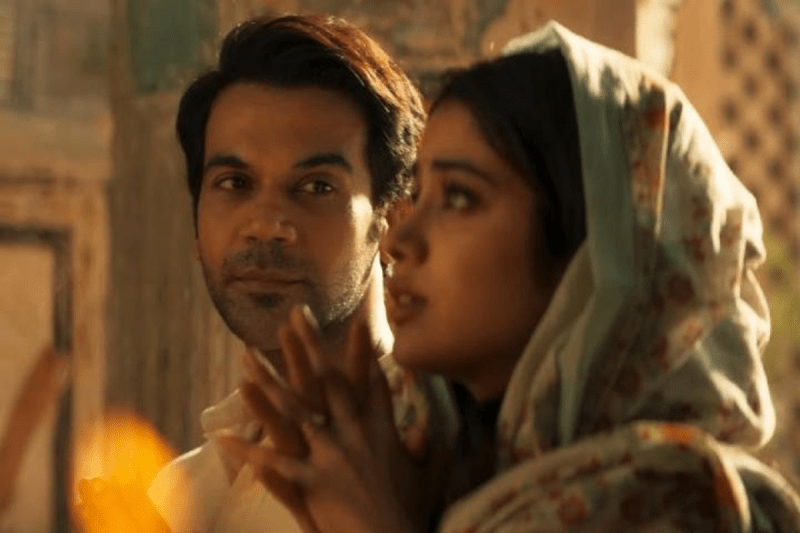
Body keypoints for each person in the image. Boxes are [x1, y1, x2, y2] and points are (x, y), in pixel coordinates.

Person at [223, 21, 800, 532]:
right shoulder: (428, 469)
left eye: (459, 197)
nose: (399, 241)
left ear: (593, 250)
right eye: (418, 193)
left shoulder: (674, 503)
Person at [75, 13, 457, 533]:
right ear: (196, 223)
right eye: (235, 183)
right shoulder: (178, 489)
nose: (265, 226)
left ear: (393, 218)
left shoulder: (448, 454)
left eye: (317, 186)